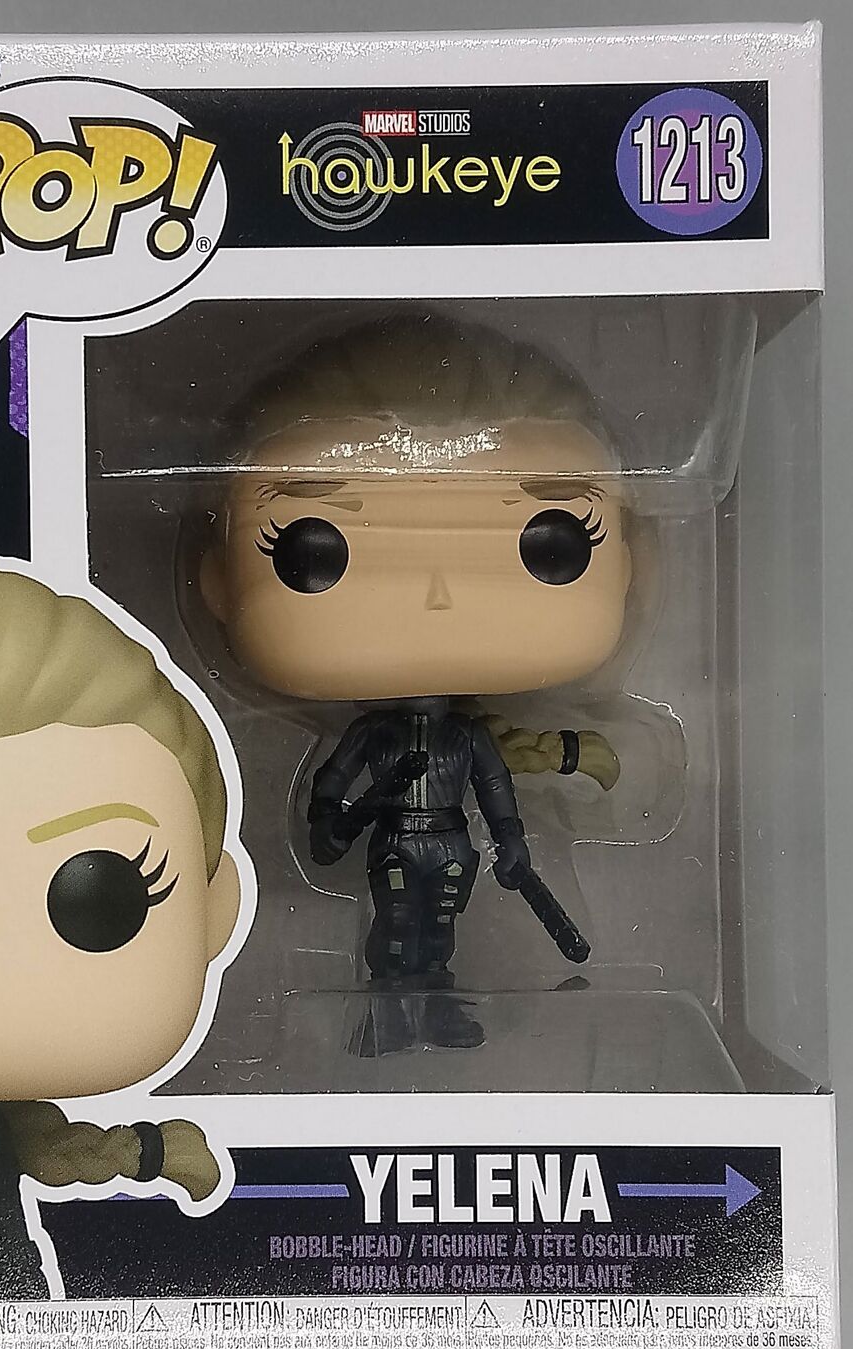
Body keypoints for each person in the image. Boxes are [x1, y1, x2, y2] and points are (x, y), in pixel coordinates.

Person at [198, 315, 630, 1053]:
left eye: (552, 544)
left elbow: (494, 786)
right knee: (398, 925)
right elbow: (334, 780)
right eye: (311, 549)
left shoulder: (459, 736)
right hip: (400, 840)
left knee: (440, 927)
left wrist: (513, 842)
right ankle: (389, 1008)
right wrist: (330, 818)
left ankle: (437, 1007)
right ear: (216, 581)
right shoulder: (377, 734)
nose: (438, 596)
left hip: (451, 842)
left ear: (629, 566)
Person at [0, 558, 242, 1300]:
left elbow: (55, 1151)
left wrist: (144, 1152)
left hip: (2, 1301)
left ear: (216, 912)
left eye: (98, 897)